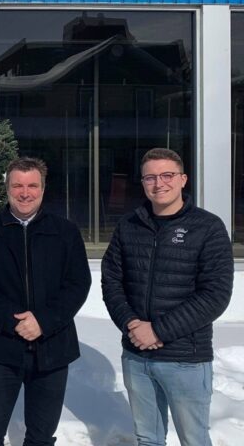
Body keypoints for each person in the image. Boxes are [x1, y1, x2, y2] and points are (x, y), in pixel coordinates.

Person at [101, 148, 233, 446]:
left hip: (185, 359)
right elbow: (111, 281)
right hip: (137, 355)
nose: (159, 183)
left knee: (194, 440)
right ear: (143, 182)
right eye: (150, 177)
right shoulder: (129, 226)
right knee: (147, 439)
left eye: (167, 175)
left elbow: (215, 294)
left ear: (183, 179)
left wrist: (158, 330)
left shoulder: (208, 227)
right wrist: (131, 324)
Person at [0, 157, 91, 446]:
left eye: (32, 185)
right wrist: (13, 321)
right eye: (17, 185)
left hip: (53, 347)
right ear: (7, 188)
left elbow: (78, 284)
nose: (25, 192)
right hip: (2, 346)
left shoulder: (65, 231)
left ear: (43, 189)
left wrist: (43, 321)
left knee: (41, 437)